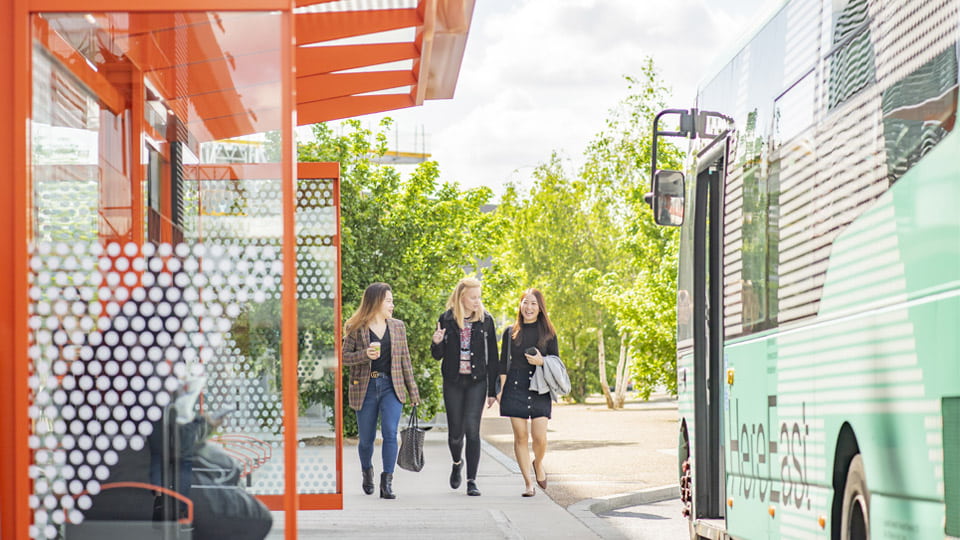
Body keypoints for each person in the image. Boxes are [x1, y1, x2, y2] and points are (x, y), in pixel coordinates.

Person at [343, 282, 420, 499]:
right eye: (388, 300)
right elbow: (343, 357)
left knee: (390, 433)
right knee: (366, 439)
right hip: (365, 388)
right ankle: (367, 472)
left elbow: (405, 361)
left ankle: (387, 482)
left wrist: (413, 392)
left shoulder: (398, 326)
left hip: (391, 386)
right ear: (376, 302)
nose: (392, 305)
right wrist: (364, 355)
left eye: (392, 301)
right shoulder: (356, 328)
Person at [430, 277, 499, 496]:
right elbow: (437, 356)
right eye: (473, 297)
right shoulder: (447, 319)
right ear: (462, 298)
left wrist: (492, 391)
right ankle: (457, 463)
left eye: (479, 297)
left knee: (472, 430)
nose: (477, 301)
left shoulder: (486, 320)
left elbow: (494, 358)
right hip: (453, 382)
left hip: (477, 382)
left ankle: (472, 480)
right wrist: (437, 341)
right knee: (455, 434)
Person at [497, 288, 559, 497]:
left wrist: (541, 361)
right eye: (525, 303)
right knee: (521, 437)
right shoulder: (510, 332)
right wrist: (501, 390)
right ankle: (528, 483)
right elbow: (503, 364)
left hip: (540, 388)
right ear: (520, 306)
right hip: (515, 387)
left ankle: (538, 463)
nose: (529, 307)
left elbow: (557, 362)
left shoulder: (549, 333)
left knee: (539, 437)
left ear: (540, 308)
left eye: (533, 303)